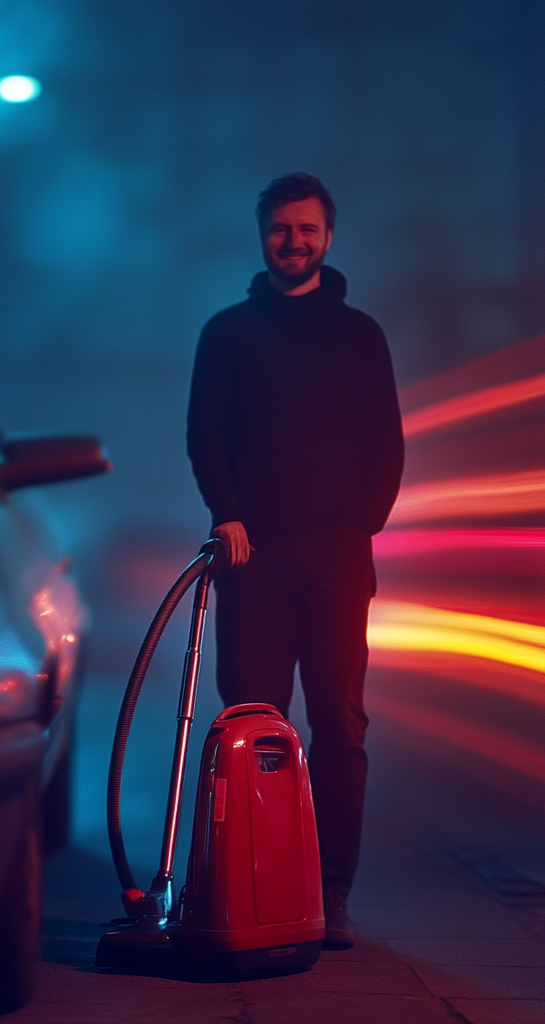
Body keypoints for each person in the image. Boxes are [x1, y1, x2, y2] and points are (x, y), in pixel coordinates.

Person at [186, 172, 404, 950]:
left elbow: (387, 440)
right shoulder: (228, 333)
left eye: (307, 229)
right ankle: (249, 886)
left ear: (328, 237)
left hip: (339, 557)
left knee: (339, 725)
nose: (294, 241)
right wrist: (230, 514)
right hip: (255, 555)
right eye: (281, 228)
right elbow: (206, 434)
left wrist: (360, 527)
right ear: (263, 236)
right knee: (250, 722)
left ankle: (331, 892)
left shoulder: (360, 335)